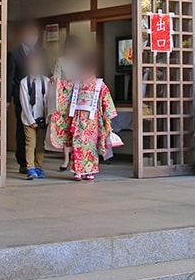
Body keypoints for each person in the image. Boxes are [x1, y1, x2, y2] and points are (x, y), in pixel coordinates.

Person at [50, 55, 116, 181]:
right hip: (78, 118)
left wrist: (107, 115)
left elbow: (106, 99)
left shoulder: (99, 84)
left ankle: (90, 170)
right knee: (78, 143)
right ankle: (78, 170)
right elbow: (64, 88)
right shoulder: (76, 82)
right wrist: (57, 82)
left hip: (92, 119)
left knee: (90, 144)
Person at [8, 21, 43, 174]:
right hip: (21, 96)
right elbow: (9, 77)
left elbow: (46, 72)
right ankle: (23, 161)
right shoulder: (14, 54)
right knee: (23, 129)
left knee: (40, 131)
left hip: (40, 98)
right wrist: (7, 98)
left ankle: (36, 162)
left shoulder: (40, 51)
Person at [52, 35, 82, 171]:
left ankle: (76, 158)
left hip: (77, 98)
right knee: (65, 129)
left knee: (76, 128)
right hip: (64, 99)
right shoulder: (60, 61)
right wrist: (56, 80)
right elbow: (56, 77)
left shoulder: (80, 62)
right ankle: (65, 158)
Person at [19, 51, 50, 180]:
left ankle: (39, 166)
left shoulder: (46, 81)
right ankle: (30, 168)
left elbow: (48, 101)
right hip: (28, 119)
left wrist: (48, 117)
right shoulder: (24, 82)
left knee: (40, 145)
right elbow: (24, 103)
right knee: (30, 144)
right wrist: (31, 120)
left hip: (42, 118)